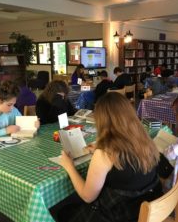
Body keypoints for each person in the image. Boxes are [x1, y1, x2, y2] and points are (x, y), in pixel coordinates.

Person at [50, 92, 163, 222]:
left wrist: (69, 166)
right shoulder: (144, 139)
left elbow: (88, 197)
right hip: (144, 208)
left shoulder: (105, 153)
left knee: (59, 210)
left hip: (118, 215)